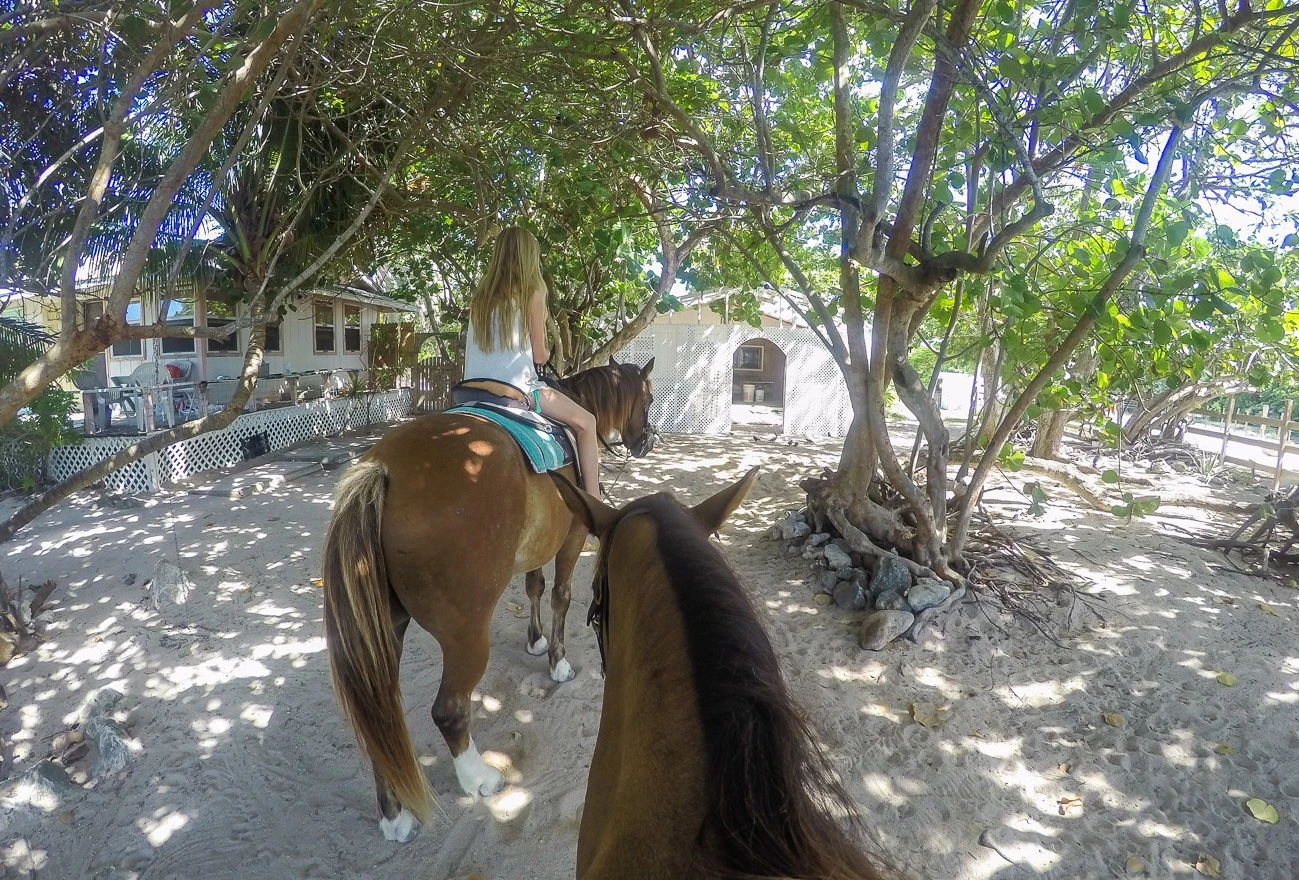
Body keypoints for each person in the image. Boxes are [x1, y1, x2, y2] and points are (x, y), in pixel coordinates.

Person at [464, 226, 601, 498]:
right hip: (517, 391)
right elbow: (539, 356)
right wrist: (546, 354)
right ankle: (596, 504)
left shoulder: (480, 297)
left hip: (471, 390)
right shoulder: (532, 293)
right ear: (529, 256)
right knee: (587, 423)